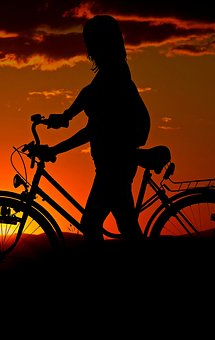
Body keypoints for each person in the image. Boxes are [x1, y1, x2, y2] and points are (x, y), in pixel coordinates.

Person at [39, 14, 150, 245]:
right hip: (115, 162)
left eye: (91, 41)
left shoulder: (114, 76)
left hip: (114, 164)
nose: (88, 47)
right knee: (127, 227)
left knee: (91, 224)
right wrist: (66, 116)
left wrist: (56, 149)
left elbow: (95, 129)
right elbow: (88, 93)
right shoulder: (111, 72)